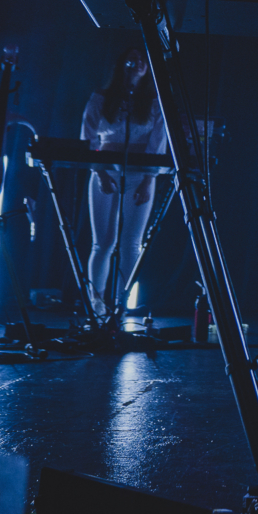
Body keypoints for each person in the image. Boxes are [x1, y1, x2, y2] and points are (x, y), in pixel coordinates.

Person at [81, 44, 168, 320]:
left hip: (140, 173)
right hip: (106, 169)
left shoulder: (155, 101)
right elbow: (88, 136)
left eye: (142, 59)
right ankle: (96, 301)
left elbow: (158, 142)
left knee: (132, 242)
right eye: (132, 58)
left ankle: (123, 302)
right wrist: (99, 171)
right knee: (103, 241)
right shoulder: (101, 97)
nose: (138, 62)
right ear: (121, 64)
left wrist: (148, 179)